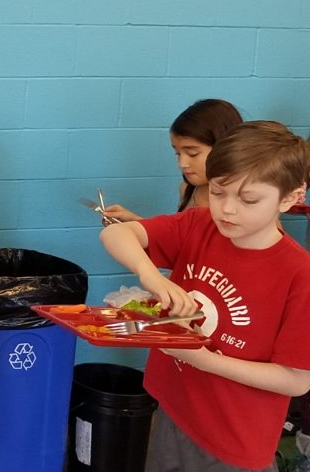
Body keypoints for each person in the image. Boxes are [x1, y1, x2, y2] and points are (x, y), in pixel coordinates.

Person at [99, 120, 310, 470]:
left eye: (248, 199)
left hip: (235, 437)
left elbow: (297, 379)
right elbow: (116, 236)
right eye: (217, 192)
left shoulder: (299, 275)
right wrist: (151, 276)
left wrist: (204, 359)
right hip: (173, 407)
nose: (227, 209)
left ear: (290, 197)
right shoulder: (199, 225)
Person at [103, 99, 243, 222]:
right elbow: (178, 240)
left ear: (225, 148)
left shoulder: (242, 202)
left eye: (192, 153)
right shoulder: (187, 189)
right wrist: (134, 222)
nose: (182, 164)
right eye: (177, 153)